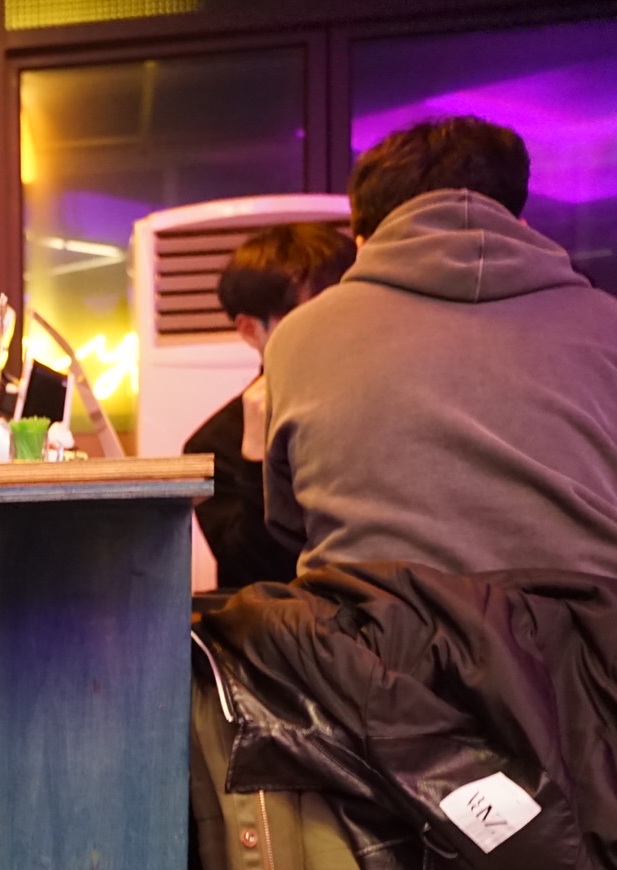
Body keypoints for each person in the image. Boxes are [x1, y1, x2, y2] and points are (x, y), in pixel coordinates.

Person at [262, 115, 617, 575]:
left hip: (370, 617)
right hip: (587, 618)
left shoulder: (298, 335)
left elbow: (291, 522)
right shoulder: (608, 323)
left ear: (363, 243)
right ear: (521, 226)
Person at [185, 222, 355, 590]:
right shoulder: (213, 445)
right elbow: (248, 576)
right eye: (309, 317)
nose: (336, 330)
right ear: (250, 330)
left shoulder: (385, 400)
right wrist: (255, 459)